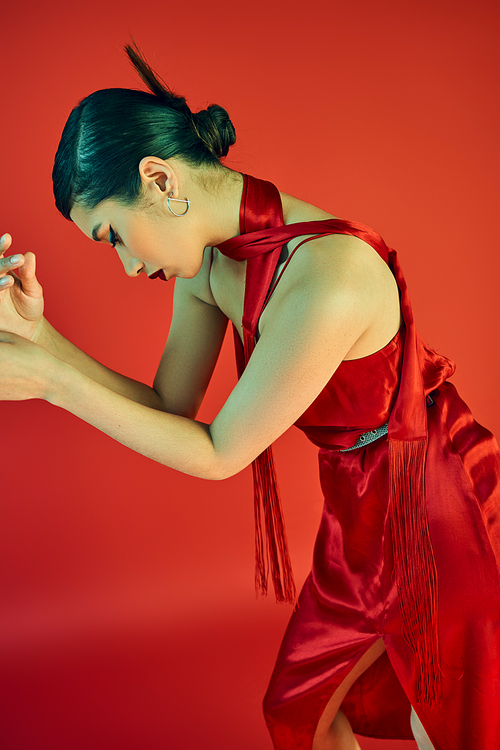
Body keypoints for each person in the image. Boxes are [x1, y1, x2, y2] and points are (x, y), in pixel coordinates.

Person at [0, 44, 499, 750]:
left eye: (113, 234)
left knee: (443, 725)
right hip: (359, 517)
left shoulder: (330, 276)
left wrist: (50, 383)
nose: (128, 262)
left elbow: (217, 453)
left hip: (437, 507)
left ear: (158, 178)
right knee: (303, 715)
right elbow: (171, 406)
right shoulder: (205, 266)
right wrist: (41, 339)